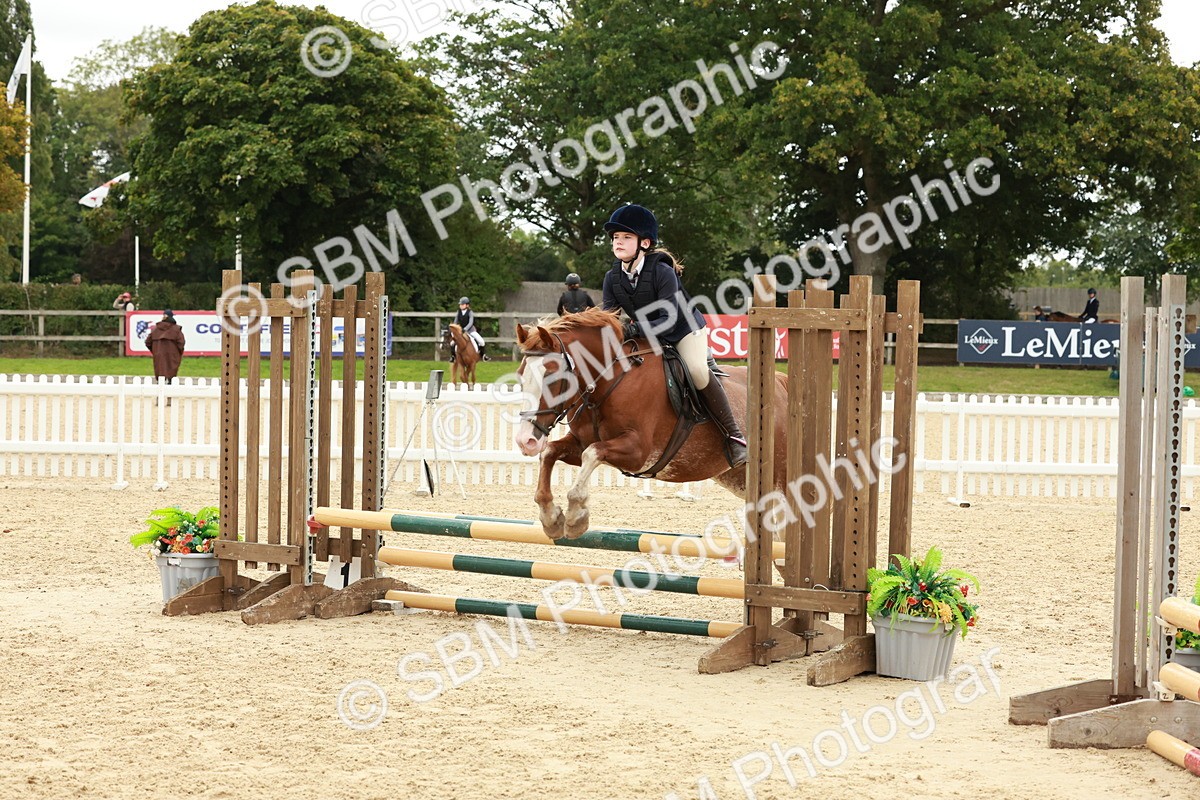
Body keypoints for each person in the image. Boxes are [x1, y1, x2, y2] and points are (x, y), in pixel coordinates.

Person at [600, 203, 747, 468]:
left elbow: (668, 321)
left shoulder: (662, 272)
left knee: (697, 370)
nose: (618, 242)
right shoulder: (612, 278)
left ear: (645, 243)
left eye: (626, 237)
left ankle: (734, 436)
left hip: (683, 329)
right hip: (648, 332)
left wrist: (632, 329)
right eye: (615, 237)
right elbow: (609, 317)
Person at [144, 310, 186, 384]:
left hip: (158, 354)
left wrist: (155, 350)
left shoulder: (156, 329)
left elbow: (148, 342)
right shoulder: (176, 329)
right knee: (171, 371)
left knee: (160, 371)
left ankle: (159, 386)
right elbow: (181, 343)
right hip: (173, 354)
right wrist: (179, 352)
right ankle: (170, 384)